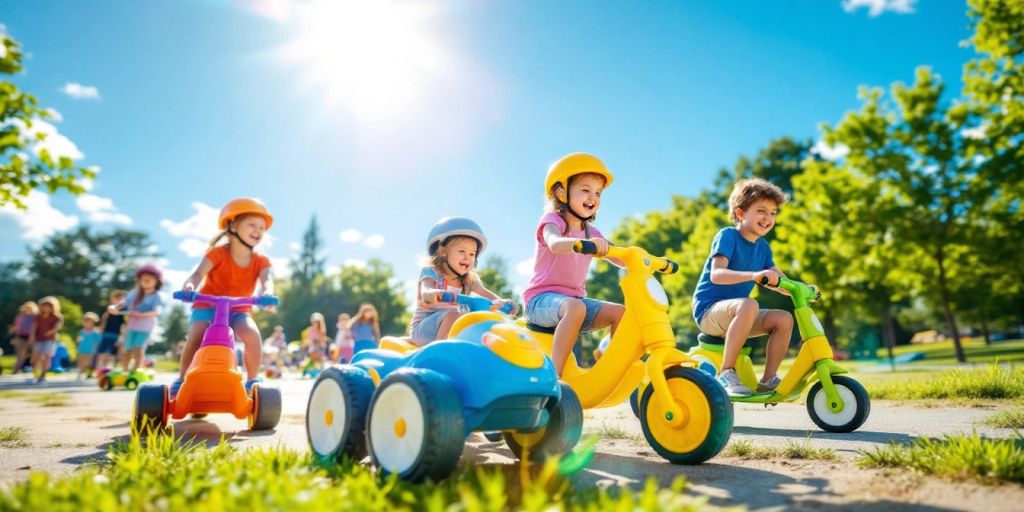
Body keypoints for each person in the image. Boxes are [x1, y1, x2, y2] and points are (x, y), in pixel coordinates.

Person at [523, 153, 625, 375]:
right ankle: (554, 375)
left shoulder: (592, 232)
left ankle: (611, 370)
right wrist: (581, 243)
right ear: (561, 192)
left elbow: (618, 255)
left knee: (621, 313)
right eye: (585, 190)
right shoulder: (552, 221)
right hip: (540, 302)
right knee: (576, 307)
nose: (593, 197)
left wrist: (642, 259)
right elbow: (554, 243)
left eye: (598, 192)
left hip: (574, 303)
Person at [691, 178, 794, 397]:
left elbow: (781, 281)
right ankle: (727, 371)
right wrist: (755, 275)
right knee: (749, 304)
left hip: (740, 313)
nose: (768, 218)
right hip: (709, 312)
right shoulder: (728, 236)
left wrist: (801, 289)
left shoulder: (763, 248)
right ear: (740, 213)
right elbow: (717, 275)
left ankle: (768, 379)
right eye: (761, 211)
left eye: (773, 212)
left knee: (784, 319)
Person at [175, 198, 275, 397]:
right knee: (197, 334)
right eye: (252, 225)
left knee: (252, 335)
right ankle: (182, 379)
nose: (258, 231)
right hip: (207, 305)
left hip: (239, 309)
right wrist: (189, 286)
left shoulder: (261, 260)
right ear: (232, 225)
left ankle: (252, 381)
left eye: (262, 228)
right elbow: (197, 274)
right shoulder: (218, 253)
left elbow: (268, 280)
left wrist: (267, 292)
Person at [409, 217, 516, 345]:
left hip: (454, 324)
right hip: (424, 329)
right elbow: (426, 291)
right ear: (443, 251)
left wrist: (503, 304)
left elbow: (487, 295)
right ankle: (442, 354)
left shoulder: (468, 280)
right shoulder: (431, 272)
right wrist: (433, 294)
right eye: (461, 251)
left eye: (472, 254)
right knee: (453, 314)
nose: (467, 258)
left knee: (479, 321)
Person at [109, 265, 164, 373]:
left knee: (138, 348)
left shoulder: (157, 296)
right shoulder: (134, 293)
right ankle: (125, 371)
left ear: (156, 281)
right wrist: (114, 307)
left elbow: (156, 311)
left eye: (149, 278)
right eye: (144, 279)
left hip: (145, 327)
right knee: (127, 349)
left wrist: (140, 314)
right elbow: (122, 303)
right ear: (139, 280)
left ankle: (136, 370)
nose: (146, 280)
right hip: (132, 326)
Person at [28, 296, 63, 383]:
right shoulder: (37, 317)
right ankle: (36, 373)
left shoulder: (56, 317)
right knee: (36, 357)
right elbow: (34, 327)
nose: (46, 308)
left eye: (48, 306)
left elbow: (56, 327)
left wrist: (51, 332)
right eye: (44, 306)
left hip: (50, 340)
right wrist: (31, 337)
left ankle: (43, 374)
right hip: (38, 339)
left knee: (47, 356)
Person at [96, 290, 127, 370]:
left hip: (116, 335)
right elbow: (102, 322)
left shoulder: (121, 313)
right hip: (106, 334)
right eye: (116, 298)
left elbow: (123, 326)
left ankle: (111, 369)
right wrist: (101, 331)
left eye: (120, 299)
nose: (118, 300)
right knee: (102, 352)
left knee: (113, 353)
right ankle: (99, 369)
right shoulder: (107, 311)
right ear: (112, 299)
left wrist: (121, 337)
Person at [8, 301, 37, 374]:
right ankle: (16, 370)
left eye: (30, 308)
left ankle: (36, 370)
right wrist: (15, 337)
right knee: (20, 355)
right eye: (26, 308)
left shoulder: (35, 317)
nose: (28, 310)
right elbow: (17, 327)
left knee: (35, 354)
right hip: (21, 336)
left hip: (33, 336)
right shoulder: (20, 316)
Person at [76, 312, 101, 379]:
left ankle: (88, 372)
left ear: (93, 322)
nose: (87, 323)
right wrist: (78, 342)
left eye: (89, 321)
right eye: (85, 321)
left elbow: (98, 341)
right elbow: (79, 339)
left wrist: (96, 349)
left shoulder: (95, 332)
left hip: (91, 350)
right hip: (81, 349)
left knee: (88, 363)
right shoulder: (82, 331)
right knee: (80, 362)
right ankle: (80, 373)